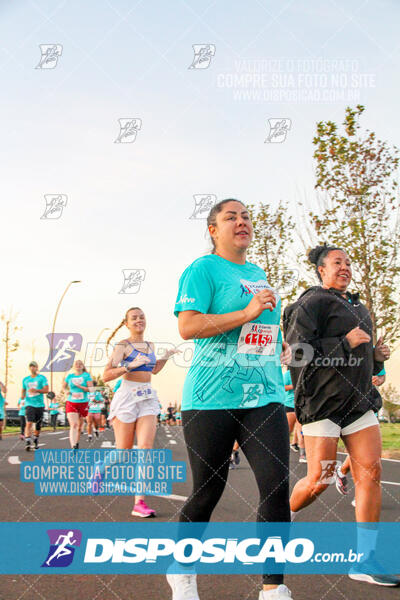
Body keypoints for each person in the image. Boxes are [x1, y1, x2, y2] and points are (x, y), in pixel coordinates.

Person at [168, 199, 293, 600]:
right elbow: (188, 327)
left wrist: (278, 344)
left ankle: (273, 588)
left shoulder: (258, 273)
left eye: (246, 216)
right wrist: (247, 311)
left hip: (264, 393)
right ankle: (182, 570)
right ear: (213, 230)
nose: (241, 222)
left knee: (275, 487)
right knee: (208, 490)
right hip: (211, 396)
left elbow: (257, 330)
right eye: (230, 217)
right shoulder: (202, 269)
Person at [284, 243, 399, 586]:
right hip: (322, 403)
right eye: (337, 262)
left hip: (359, 403)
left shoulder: (360, 307)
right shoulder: (309, 303)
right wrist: (345, 343)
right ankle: (279, 520)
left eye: (348, 262)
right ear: (321, 269)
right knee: (319, 479)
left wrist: (376, 356)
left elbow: (362, 359)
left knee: (371, 472)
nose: (345, 267)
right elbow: (298, 355)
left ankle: (365, 560)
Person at [103, 307, 178, 518]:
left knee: (145, 447)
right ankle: (101, 468)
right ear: (126, 323)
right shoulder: (122, 346)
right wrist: (129, 366)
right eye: (134, 318)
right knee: (123, 452)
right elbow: (106, 375)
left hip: (146, 398)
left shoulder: (150, 345)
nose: (139, 320)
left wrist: (165, 357)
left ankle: (139, 502)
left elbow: (152, 370)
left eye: (142, 316)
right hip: (126, 397)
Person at [335, 368, 387, 498]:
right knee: (360, 455)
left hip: (369, 408)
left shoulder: (371, 351)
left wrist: (378, 380)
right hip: (347, 408)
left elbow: (382, 376)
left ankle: (343, 474)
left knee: (371, 459)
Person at [63, 360, 93, 449]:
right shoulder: (70, 376)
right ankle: (73, 446)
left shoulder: (86, 376)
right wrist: (66, 391)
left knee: (79, 426)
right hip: (71, 402)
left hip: (83, 403)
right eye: (76, 364)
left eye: (80, 364)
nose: (78, 365)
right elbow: (64, 387)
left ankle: (76, 442)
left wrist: (80, 387)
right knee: (74, 425)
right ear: (73, 366)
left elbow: (91, 389)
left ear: (83, 366)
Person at [21, 361, 49, 451]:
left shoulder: (42, 378)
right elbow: (23, 390)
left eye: (34, 366)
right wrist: (22, 397)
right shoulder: (25, 379)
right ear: (29, 368)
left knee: (38, 424)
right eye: (31, 367)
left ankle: (36, 439)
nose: (32, 368)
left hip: (40, 404)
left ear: (37, 368)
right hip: (29, 404)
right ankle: (28, 442)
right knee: (29, 422)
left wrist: (36, 390)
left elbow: (46, 390)